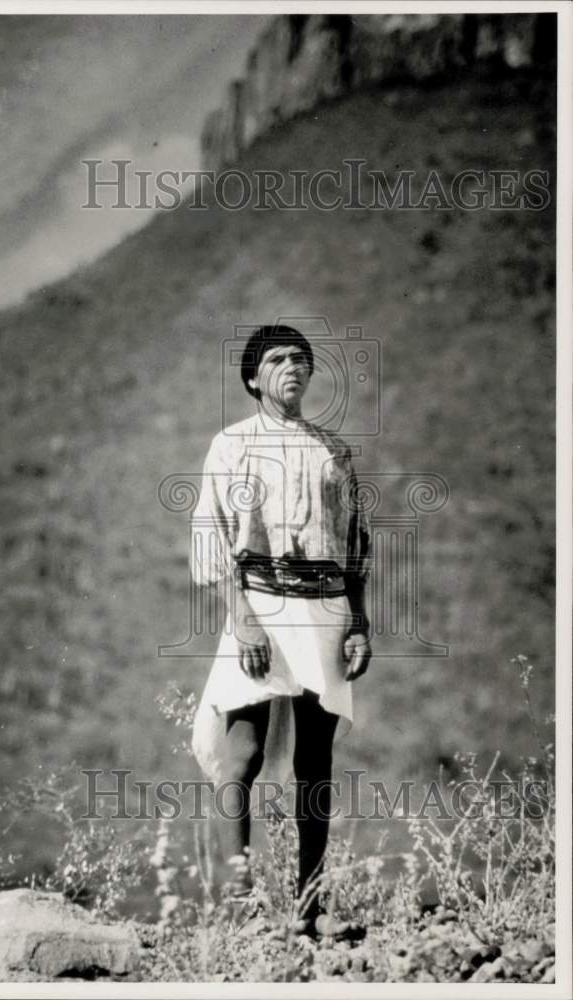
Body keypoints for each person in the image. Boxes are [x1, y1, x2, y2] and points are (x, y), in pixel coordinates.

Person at [190, 324, 372, 939]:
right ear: (252, 378)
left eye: (300, 358)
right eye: (276, 359)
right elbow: (213, 534)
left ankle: (310, 904)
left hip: (325, 605)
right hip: (260, 600)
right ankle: (239, 897)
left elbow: (355, 545)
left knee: (314, 760)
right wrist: (242, 618)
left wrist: (360, 624)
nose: (292, 366)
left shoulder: (334, 451)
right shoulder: (232, 445)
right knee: (240, 752)